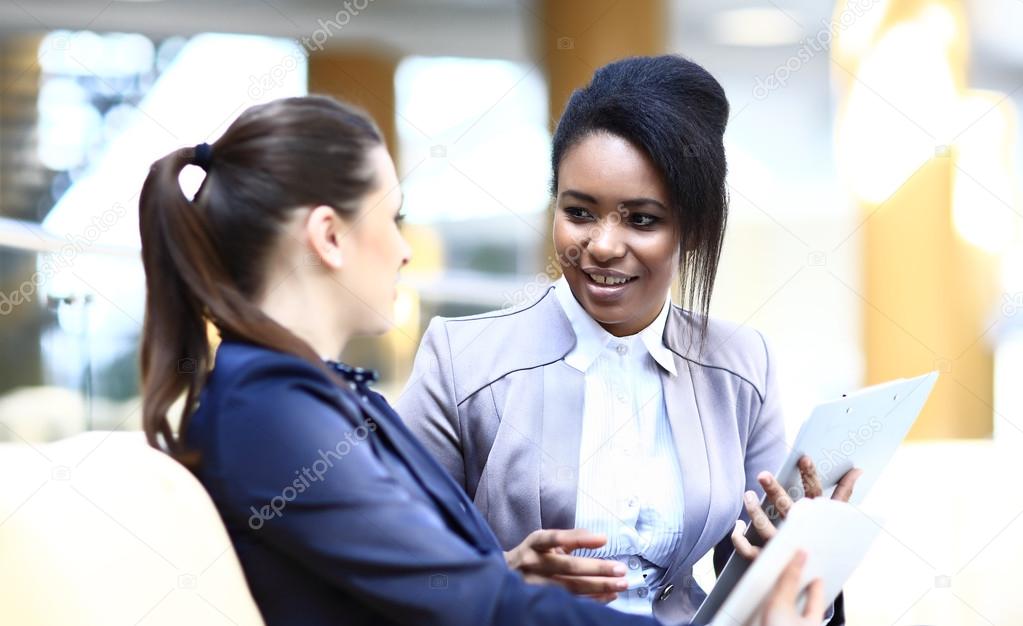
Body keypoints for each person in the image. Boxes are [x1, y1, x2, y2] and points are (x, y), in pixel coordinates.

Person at [137, 95, 826, 625]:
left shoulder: (308, 395)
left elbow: (459, 584)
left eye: (642, 219)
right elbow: (470, 601)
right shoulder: (269, 409)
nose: (405, 249)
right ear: (329, 236)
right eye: (394, 217)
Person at [396, 55, 860, 625]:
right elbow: (396, 573)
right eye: (579, 212)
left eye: (641, 220)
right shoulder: (460, 360)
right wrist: (503, 579)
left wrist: (802, 548)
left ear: (693, 229)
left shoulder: (742, 364)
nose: (603, 245)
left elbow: (749, 579)